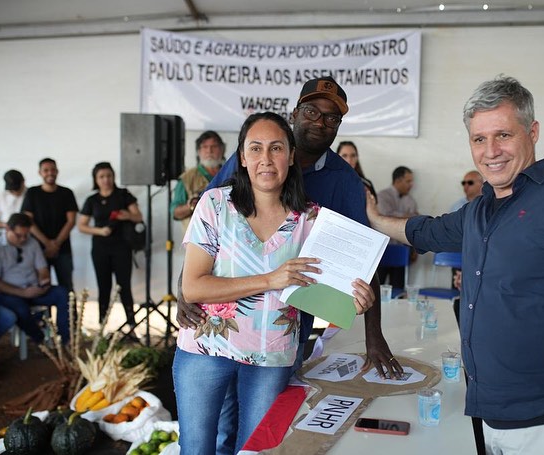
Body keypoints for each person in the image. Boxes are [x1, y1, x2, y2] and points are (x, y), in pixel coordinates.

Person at [366, 75, 544, 454]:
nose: (491, 151)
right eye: (479, 139)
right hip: (489, 414)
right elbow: (424, 231)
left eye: (504, 135)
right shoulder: (478, 211)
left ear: (533, 132)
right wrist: (373, 216)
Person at [177, 76, 402, 455]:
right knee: (211, 440)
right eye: (312, 111)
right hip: (209, 342)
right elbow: (202, 247)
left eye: (332, 118)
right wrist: (185, 288)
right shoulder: (221, 197)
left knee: (259, 445)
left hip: (277, 345)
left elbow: (356, 264)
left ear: (290, 155)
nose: (320, 122)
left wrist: (364, 316)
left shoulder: (322, 205)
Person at [77, 162, 143, 328]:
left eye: (108, 176)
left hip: (122, 246)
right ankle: (102, 325)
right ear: (96, 179)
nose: (106, 180)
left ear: (113, 177)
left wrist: (127, 216)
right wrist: (99, 231)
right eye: (101, 177)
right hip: (101, 247)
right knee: (104, 287)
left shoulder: (123, 195)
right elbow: (82, 225)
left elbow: (138, 216)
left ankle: (131, 325)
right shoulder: (92, 200)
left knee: (124, 287)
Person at [0, 213, 70, 344]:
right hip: (9, 294)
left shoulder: (32, 243)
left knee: (62, 293)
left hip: (34, 289)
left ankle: (65, 341)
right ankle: (40, 340)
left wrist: (44, 282)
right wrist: (23, 292)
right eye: (18, 235)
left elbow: (42, 269)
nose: (23, 239)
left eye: (26, 235)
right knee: (20, 311)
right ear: (8, 229)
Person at [21, 158, 78, 291]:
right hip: (38, 249)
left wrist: (56, 244)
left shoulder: (67, 193)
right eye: (46, 170)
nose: (50, 173)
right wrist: (47, 243)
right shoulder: (32, 193)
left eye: (53, 170)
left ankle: (69, 307)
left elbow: (71, 221)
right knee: (41, 286)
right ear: (40, 172)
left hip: (63, 248)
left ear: (57, 171)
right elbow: (28, 221)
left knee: (67, 286)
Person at [170, 131, 226, 232]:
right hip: (198, 237)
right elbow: (175, 212)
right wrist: (191, 206)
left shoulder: (232, 173)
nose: (209, 151)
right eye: (205, 147)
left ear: (222, 149)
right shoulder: (187, 178)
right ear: (199, 151)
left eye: (214, 146)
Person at [376, 166, 418, 289]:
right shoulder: (382, 196)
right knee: (377, 288)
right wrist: (408, 216)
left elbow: (414, 223)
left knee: (398, 288)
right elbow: (384, 217)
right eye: (408, 181)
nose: (411, 185)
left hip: (401, 249)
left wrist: (415, 249)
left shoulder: (411, 200)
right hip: (382, 249)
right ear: (398, 180)